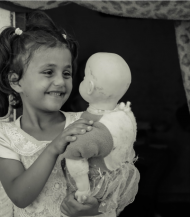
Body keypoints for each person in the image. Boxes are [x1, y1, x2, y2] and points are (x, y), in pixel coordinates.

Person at [0, 11, 101, 217]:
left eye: (66, 73)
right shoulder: (4, 136)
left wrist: (93, 207)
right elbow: (20, 196)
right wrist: (55, 147)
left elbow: (105, 183)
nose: (60, 81)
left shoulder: (84, 124)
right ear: (16, 81)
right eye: (48, 72)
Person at [63, 53, 140, 216]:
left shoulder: (96, 129)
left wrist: (83, 188)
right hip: (113, 186)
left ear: (90, 86)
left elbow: (73, 153)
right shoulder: (124, 115)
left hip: (93, 192)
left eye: (84, 77)